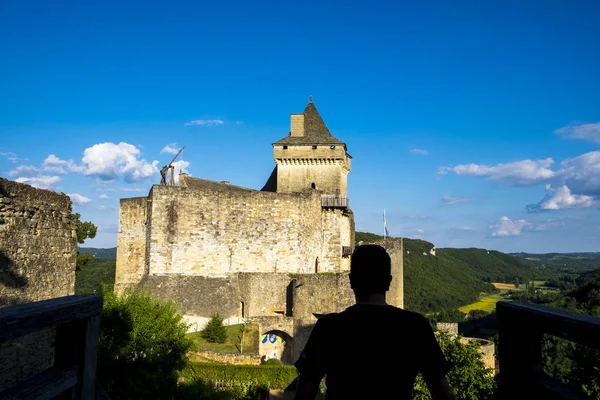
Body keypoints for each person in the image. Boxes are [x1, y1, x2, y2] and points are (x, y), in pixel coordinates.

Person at [293, 244, 456, 400]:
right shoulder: (415, 326)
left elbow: (305, 392)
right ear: (389, 281)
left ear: (351, 281)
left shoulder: (328, 326)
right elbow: (443, 393)